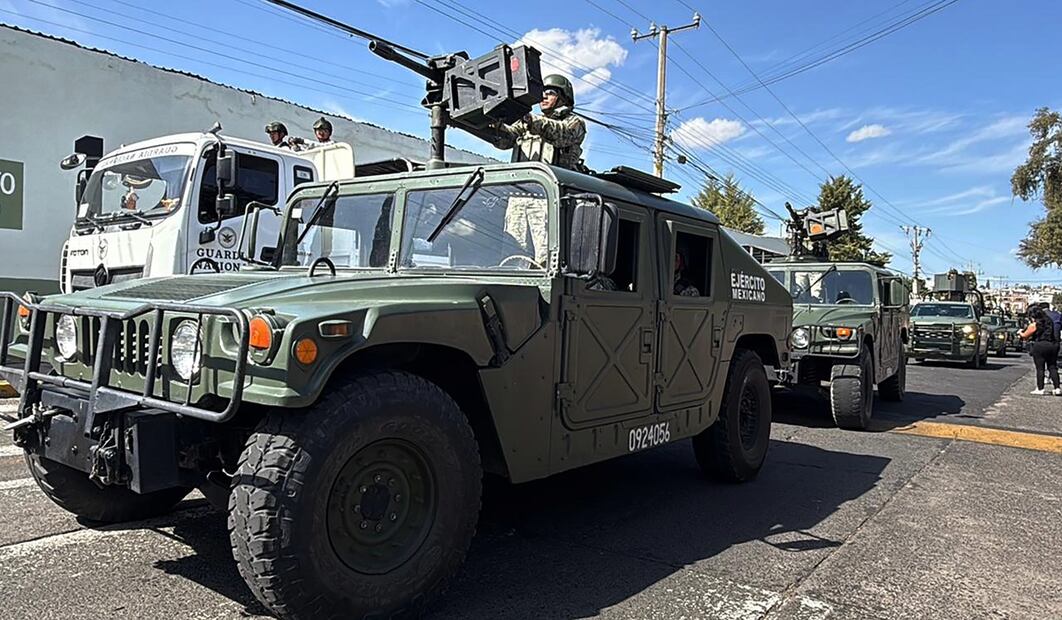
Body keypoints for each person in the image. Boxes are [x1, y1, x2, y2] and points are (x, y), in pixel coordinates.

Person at [492, 75, 587, 265]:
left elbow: (560, 134)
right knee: (512, 253)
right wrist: (494, 124)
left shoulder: (575, 123)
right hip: (518, 196)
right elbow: (505, 140)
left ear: (563, 98)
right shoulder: (526, 123)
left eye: (550, 93)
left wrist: (530, 120)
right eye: (542, 93)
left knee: (545, 257)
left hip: (547, 198)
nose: (543, 97)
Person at [1019, 304, 1060, 395]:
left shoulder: (1035, 324)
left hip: (1040, 345)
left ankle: (1040, 388)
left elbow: (1025, 335)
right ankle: (1057, 388)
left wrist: (1020, 332)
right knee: (1052, 367)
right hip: (1052, 345)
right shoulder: (1049, 321)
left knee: (1040, 368)